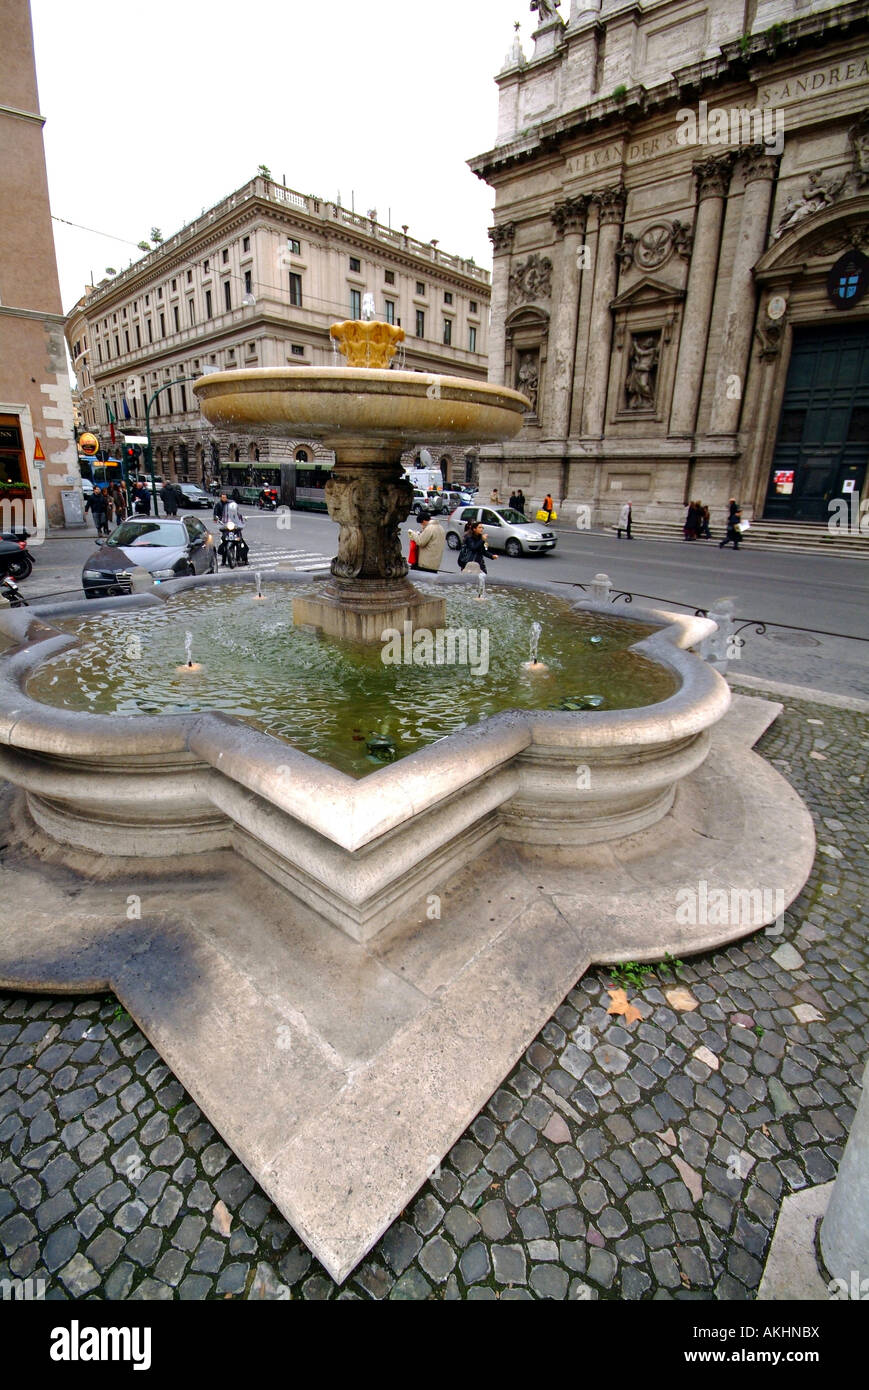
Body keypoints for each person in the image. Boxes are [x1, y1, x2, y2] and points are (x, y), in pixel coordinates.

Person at [214, 493, 249, 565]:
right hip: (227, 530)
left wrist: (241, 524)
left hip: (236, 531)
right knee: (223, 542)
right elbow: (219, 519)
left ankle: (245, 559)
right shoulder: (224, 515)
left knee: (242, 544)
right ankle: (223, 561)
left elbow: (241, 520)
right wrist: (220, 523)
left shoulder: (237, 515)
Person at [408, 509, 446, 573]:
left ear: (423, 521)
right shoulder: (441, 528)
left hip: (426, 563)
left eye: (421, 523)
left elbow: (421, 542)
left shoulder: (430, 528)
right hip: (435, 563)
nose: (421, 525)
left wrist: (413, 534)